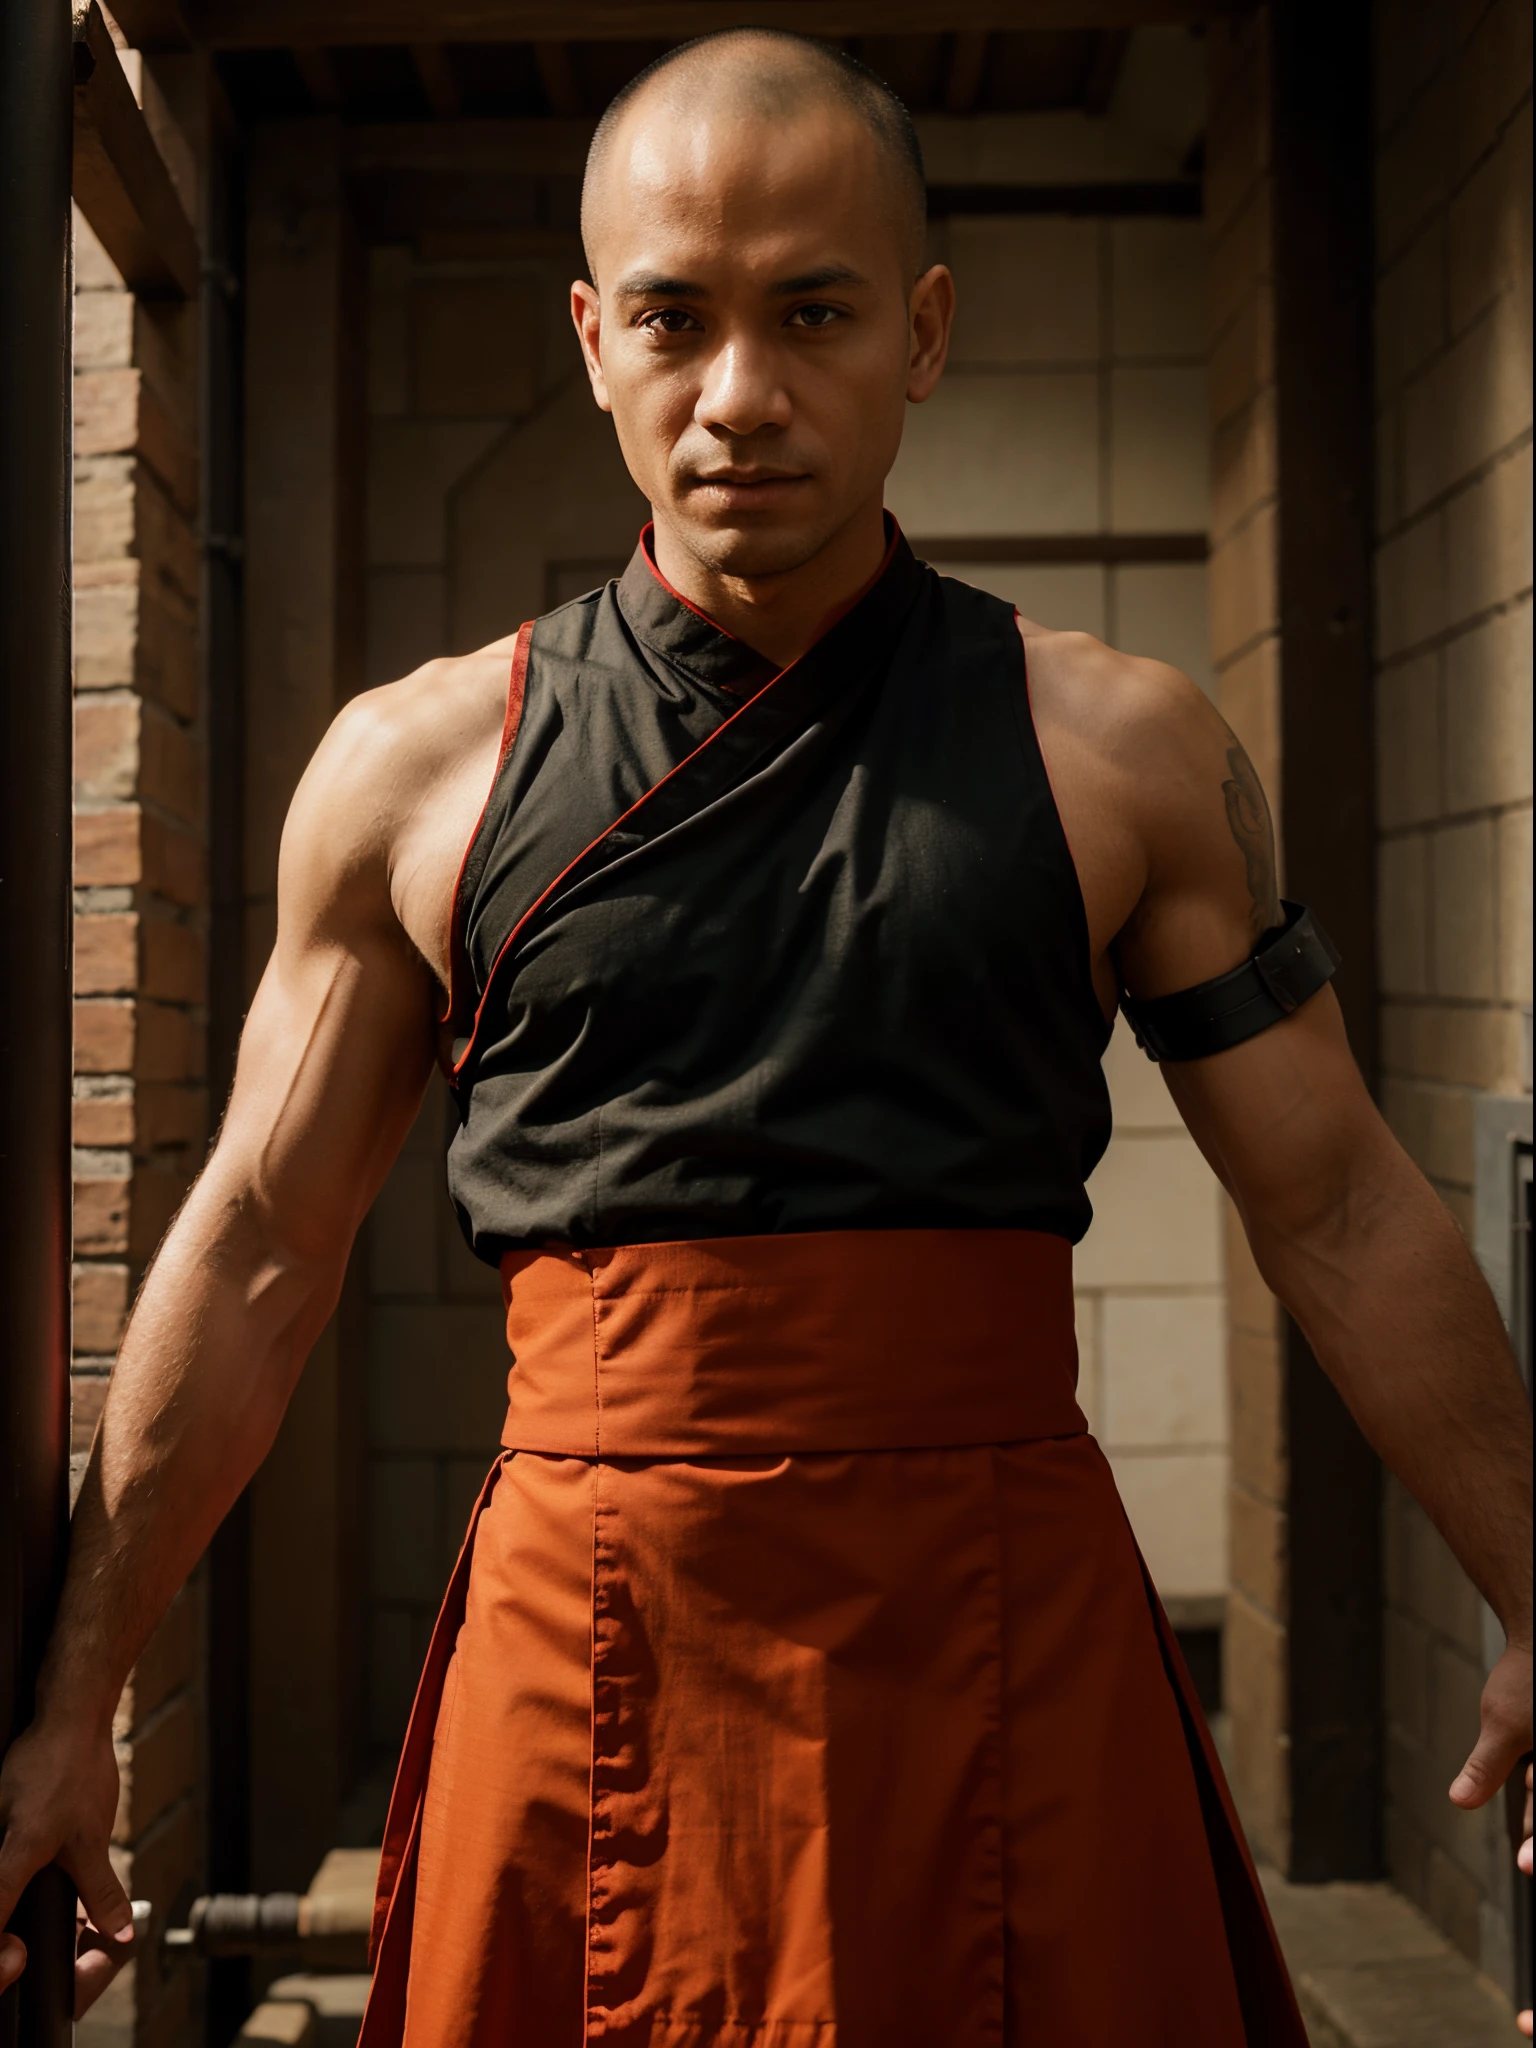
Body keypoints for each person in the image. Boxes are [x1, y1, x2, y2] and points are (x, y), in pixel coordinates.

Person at [1, 27, 1530, 2045]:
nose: (740, 394)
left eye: (812, 313)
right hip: (592, 1594)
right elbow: (265, 1246)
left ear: (922, 331)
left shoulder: (1123, 749)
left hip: (1002, 1591)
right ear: (590, 335)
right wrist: (75, 1697)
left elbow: (1336, 1205)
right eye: (674, 317)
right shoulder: (417, 770)